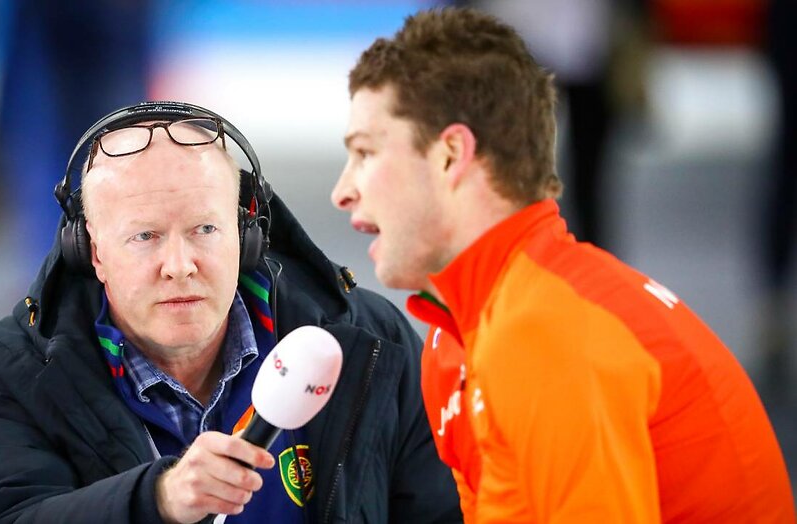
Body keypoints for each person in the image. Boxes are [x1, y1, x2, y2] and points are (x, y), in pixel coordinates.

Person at [331, 8, 794, 523]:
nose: (343, 191)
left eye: (366, 153)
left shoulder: (544, 336)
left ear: (450, 156)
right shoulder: (459, 336)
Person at [0, 102, 461, 523]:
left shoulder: (367, 338)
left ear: (248, 236)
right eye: (145, 236)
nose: (179, 266)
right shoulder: (6, 372)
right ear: (94, 253)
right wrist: (159, 499)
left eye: (204, 230)